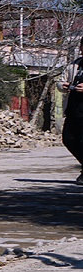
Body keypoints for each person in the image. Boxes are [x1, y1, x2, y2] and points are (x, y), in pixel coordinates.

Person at [63, 37, 83, 185]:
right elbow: (60, 80)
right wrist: (62, 85)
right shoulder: (74, 65)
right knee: (68, 139)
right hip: (73, 109)